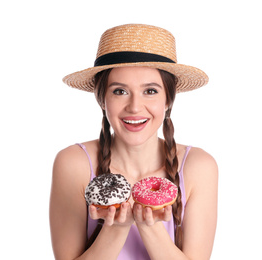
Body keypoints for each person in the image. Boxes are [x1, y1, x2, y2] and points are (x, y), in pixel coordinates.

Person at [50, 24, 218, 260]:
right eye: (119, 91)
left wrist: (148, 226)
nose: (135, 107)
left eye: (150, 91)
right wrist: (117, 228)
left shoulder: (198, 166)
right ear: (102, 99)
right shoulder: (73, 163)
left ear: (168, 99)